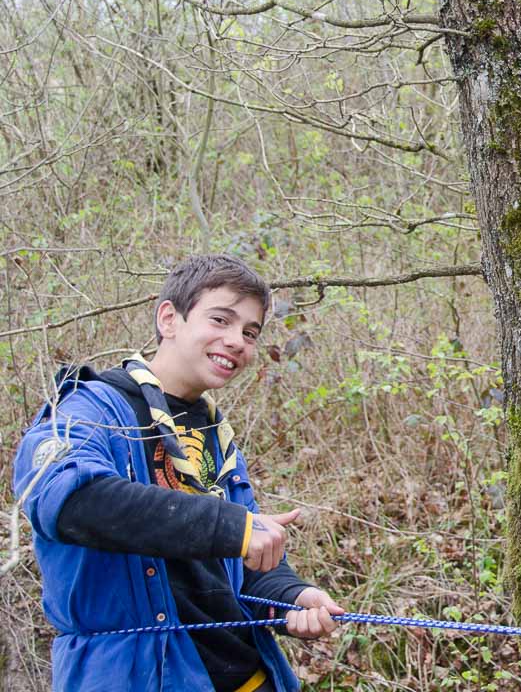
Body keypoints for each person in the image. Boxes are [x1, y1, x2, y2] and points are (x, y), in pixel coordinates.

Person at [13, 254, 346, 692]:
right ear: (169, 318)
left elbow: (246, 565)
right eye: (220, 320)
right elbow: (69, 500)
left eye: (250, 332)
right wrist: (230, 526)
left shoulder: (216, 436)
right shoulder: (88, 411)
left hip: (249, 675)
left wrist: (292, 598)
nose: (237, 341)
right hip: (131, 675)